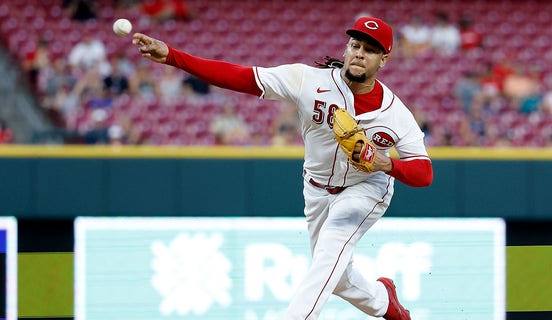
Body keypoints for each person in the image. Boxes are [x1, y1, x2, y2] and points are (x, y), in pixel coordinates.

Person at [132, 15, 432, 320]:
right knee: (336, 276)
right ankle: (384, 301)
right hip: (316, 187)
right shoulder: (309, 81)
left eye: (370, 49)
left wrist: (385, 162)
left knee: (329, 255)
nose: (359, 53)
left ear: (384, 59)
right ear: (345, 48)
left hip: (365, 187)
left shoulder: (395, 114)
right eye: (355, 45)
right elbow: (242, 77)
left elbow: (424, 173)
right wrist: (172, 56)